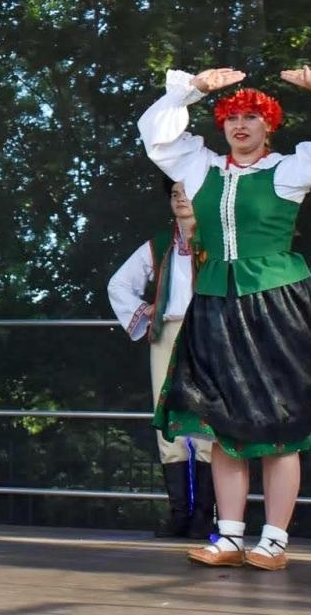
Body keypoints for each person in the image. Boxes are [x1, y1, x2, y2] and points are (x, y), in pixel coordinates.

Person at [141, 66, 311, 570]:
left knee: (280, 423)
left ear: (270, 127)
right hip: (215, 302)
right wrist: (195, 90)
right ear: (222, 125)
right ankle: (228, 536)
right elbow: (156, 137)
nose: (240, 125)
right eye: (232, 117)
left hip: (275, 304)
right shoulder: (201, 167)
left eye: (252, 117)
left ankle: (273, 539)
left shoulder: (289, 170)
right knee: (223, 422)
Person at [106, 177, 215, 540]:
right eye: (175, 194)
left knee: (208, 420)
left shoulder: (218, 239)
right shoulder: (158, 245)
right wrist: (145, 311)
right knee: (167, 415)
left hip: (210, 333)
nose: (181, 200)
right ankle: (179, 513)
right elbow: (118, 284)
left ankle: (205, 515)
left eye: (187, 194)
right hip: (167, 332)